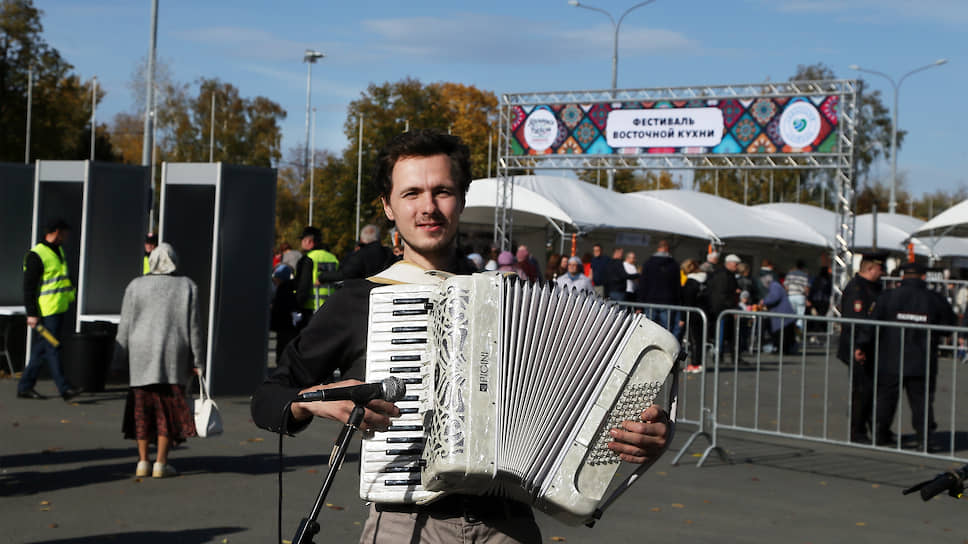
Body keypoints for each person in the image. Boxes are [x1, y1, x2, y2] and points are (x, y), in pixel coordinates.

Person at [250, 129, 670, 543]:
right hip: (405, 523)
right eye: (411, 193)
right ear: (388, 207)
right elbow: (268, 397)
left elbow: (589, 394)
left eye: (442, 191)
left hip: (508, 523)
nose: (428, 207)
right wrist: (317, 400)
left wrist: (641, 433)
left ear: (462, 200)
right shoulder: (361, 300)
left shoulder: (511, 298)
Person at [114, 243, 203, 478]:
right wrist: (198, 361)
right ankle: (161, 463)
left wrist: (117, 360)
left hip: (140, 356)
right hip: (173, 357)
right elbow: (194, 328)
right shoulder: (187, 286)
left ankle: (142, 461)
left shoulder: (135, 285)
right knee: (167, 412)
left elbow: (125, 325)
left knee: (141, 410)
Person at [857, 261, 956, 450]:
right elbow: (948, 326)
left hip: (890, 357)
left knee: (886, 398)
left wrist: (862, 345)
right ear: (924, 277)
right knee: (922, 401)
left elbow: (872, 324)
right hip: (922, 358)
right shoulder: (934, 298)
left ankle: (880, 434)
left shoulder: (888, 297)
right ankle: (924, 439)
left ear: (902, 277)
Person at [18, 219, 81, 401]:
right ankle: (65, 388)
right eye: (65, 234)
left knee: (42, 349)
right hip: (45, 311)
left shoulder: (58, 251)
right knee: (52, 347)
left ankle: (25, 386)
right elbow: (28, 287)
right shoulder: (36, 255)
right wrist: (31, 313)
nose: (66, 238)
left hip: (58, 307)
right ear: (56, 232)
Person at [836, 253, 884, 444]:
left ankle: (876, 429)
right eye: (880, 269)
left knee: (872, 391)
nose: (882, 273)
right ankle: (857, 431)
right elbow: (855, 321)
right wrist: (858, 346)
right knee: (861, 391)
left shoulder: (874, 287)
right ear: (871, 269)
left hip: (869, 344)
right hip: (857, 346)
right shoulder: (857, 289)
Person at [294, 226, 339, 327]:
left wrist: (297, 305)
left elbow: (303, 285)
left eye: (302, 240)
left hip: (311, 310)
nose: (301, 243)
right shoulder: (333, 258)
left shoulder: (308, 259)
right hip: (330, 308)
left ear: (309, 241)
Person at [638, 240, 681, 330]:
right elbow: (677, 285)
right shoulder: (674, 265)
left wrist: (640, 303)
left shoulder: (648, 263)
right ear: (667, 249)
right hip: (668, 301)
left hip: (650, 300)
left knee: (648, 328)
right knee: (666, 329)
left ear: (658, 248)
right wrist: (677, 301)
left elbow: (643, 284)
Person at [706, 253, 741, 362]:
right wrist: (732, 307)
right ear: (729, 263)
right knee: (720, 334)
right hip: (722, 309)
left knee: (724, 334)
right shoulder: (724, 276)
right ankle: (718, 355)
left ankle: (722, 355)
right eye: (735, 264)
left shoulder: (725, 274)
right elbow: (722, 294)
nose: (737, 266)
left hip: (722, 308)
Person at [679, 258, 707, 374]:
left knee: (694, 340)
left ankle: (696, 363)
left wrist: (682, 318)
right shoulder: (704, 280)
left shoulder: (691, 282)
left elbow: (687, 301)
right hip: (702, 312)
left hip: (693, 314)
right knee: (698, 339)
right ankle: (697, 362)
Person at [760, 273, 798, 355]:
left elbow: (774, 297)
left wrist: (764, 301)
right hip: (784, 315)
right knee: (786, 335)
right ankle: (785, 349)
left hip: (783, 315)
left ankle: (783, 350)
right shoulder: (776, 285)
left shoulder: (774, 286)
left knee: (783, 335)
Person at [270, 264, 298, 364]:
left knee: (282, 347)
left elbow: (279, 308)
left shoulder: (283, 290)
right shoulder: (290, 288)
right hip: (287, 324)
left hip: (283, 324)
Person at [784, 260, 810, 330]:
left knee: (790, 315)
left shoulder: (790, 274)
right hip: (800, 296)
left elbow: (786, 287)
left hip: (790, 296)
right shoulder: (804, 275)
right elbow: (806, 288)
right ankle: (799, 332)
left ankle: (791, 331)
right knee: (800, 317)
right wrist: (807, 298)